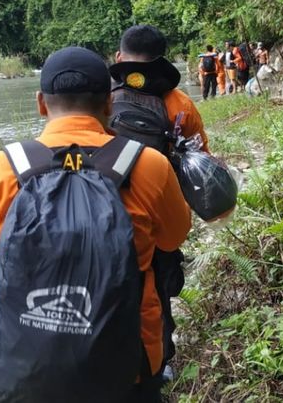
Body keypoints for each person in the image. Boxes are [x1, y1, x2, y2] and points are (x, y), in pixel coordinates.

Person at [0, 46, 191, 402]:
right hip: (129, 366)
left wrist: (12, 338)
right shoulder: (149, 166)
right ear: (109, 104)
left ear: (41, 103)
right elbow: (173, 237)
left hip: (23, 367)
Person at [110, 24, 209, 381]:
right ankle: (160, 363)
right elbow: (199, 164)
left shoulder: (100, 97)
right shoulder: (179, 103)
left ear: (118, 58)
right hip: (157, 214)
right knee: (157, 289)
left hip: (102, 213)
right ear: (160, 59)